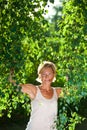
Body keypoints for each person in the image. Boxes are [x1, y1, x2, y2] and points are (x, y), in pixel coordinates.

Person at [9, 61, 62, 130]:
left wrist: (69, 74)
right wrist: (12, 68)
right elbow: (14, 85)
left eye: (49, 74)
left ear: (54, 75)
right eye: (43, 74)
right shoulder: (34, 90)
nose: (46, 76)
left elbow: (74, 91)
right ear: (40, 75)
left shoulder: (57, 91)